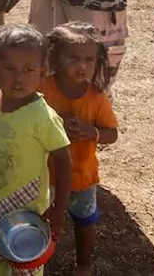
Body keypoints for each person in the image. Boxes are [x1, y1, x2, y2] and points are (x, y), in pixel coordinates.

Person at [0, 24, 72, 276]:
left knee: (25, 267)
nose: (19, 78)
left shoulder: (41, 116)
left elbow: (63, 160)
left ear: (42, 72)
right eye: (9, 69)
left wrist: (59, 209)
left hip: (28, 216)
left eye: (29, 70)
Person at [39, 22, 119, 276]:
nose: (82, 66)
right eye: (73, 58)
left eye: (89, 59)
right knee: (42, 219)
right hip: (46, 174)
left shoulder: (97, 97)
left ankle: (84, 262)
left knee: (85, 222)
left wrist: (92, 132)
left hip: (82, 176)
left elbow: (112, 134)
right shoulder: (42, 88)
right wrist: (54, 124)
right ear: (55, 58)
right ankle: (38, 260)